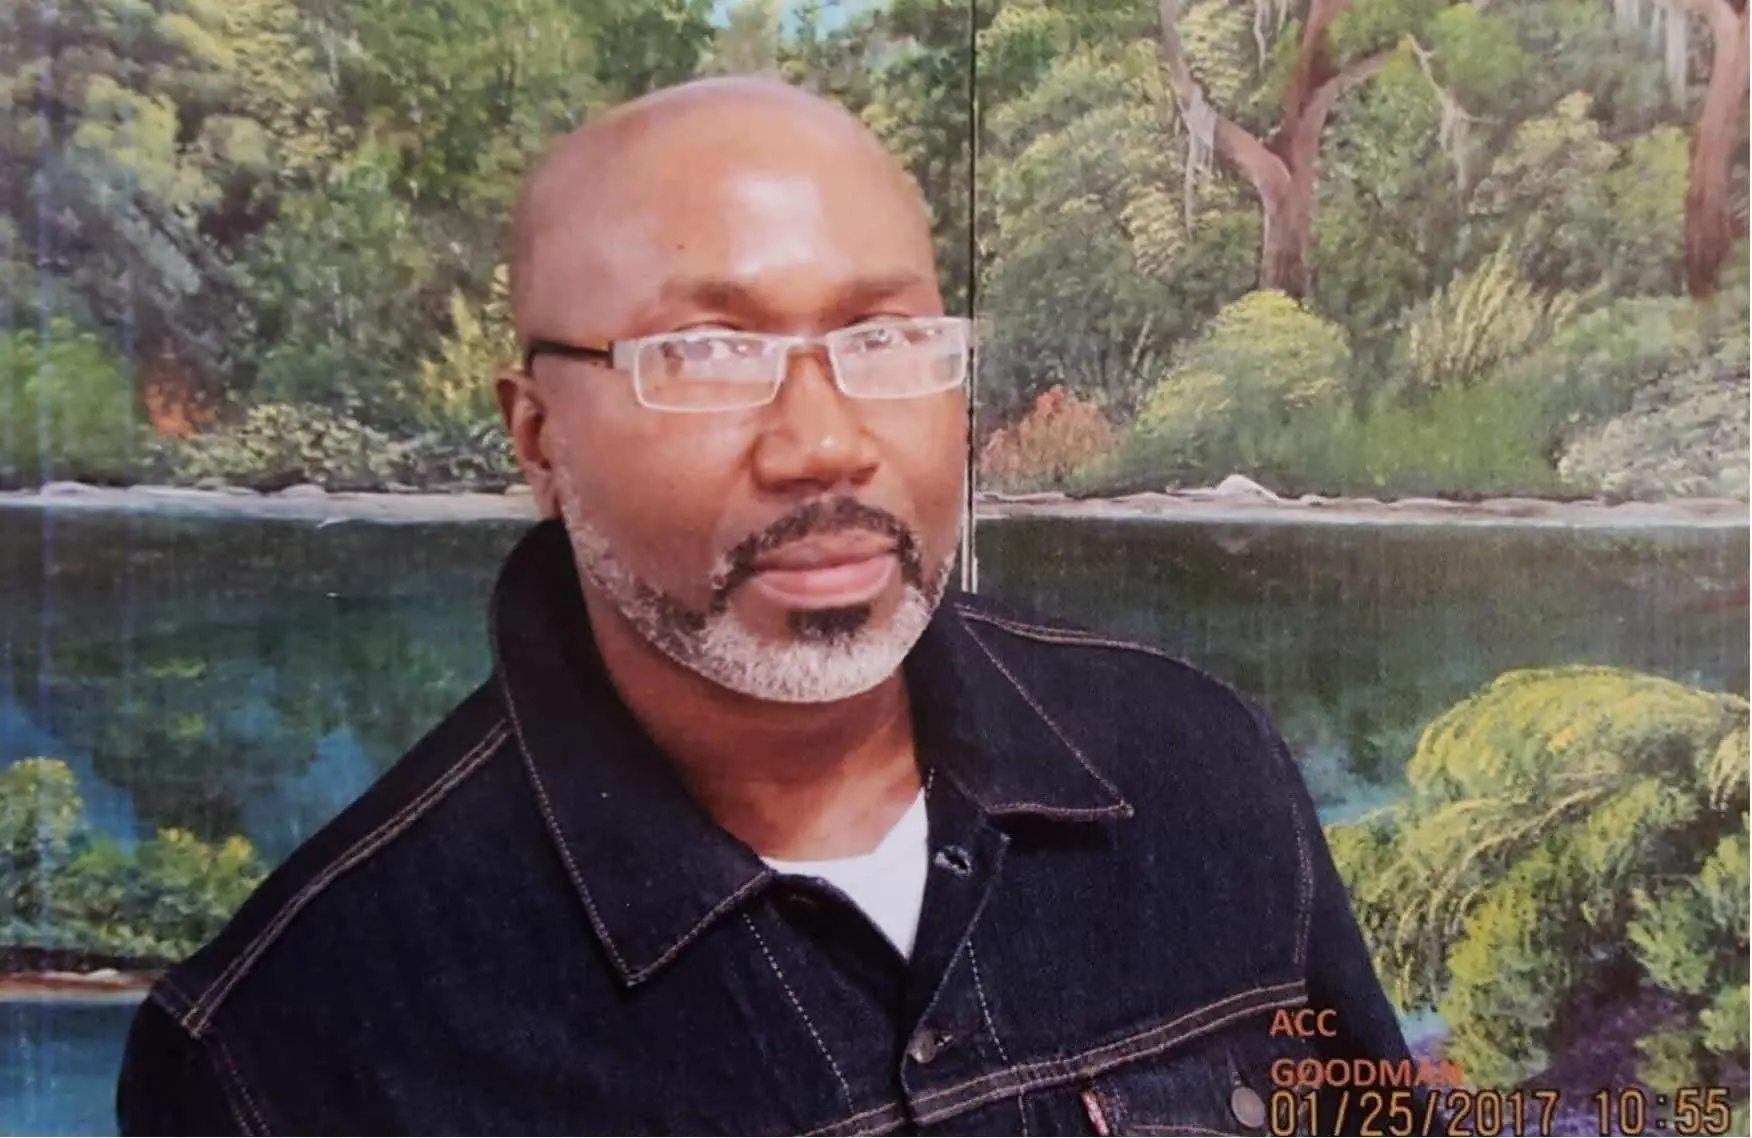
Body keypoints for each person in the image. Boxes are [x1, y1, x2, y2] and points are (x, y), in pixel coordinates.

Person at [117, 77, 1428, 1136]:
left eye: (884, 341)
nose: (822, 443)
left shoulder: (1199, 765)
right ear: (538, 435)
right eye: (706, 356)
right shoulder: (293, 1039)